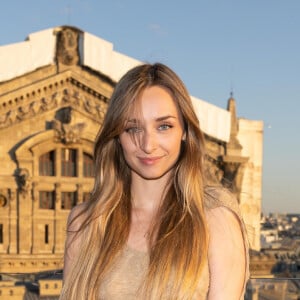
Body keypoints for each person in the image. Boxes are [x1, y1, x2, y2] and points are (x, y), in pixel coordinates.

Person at [60, 63, 249, 300]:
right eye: (132, 128)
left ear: (184, 131)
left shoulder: (214, 216)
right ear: (117, 136)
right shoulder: (86, 222)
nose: (148, 145)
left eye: (163, 126)